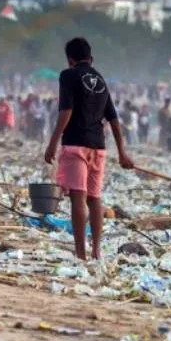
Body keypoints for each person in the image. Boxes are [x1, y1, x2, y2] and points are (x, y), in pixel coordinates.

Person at [44, 37, 134, 261]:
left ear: (70, 60)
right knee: (94, 200)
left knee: (77, 198)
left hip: (75, 144)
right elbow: (113, 120)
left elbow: (66, 111)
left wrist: (53, 143)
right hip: (98, 148)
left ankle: (80, 252)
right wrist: (122, 153)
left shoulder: (68, 75)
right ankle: (96, 251)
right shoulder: (101, 80)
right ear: (91, 59)